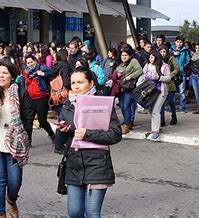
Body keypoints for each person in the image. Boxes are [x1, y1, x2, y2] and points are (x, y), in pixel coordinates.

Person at [56, 68, 122, 218]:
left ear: (91, 83)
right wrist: (62, 131)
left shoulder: (103, 104)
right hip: (73, 162)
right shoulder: (68, 106)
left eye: (80, 82)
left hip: (97, 162)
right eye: (73, 83)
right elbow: (59, 142)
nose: (76, 86)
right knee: (74, 212)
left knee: (92, 213)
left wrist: (88, 134)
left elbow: (115, 134)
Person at [0, 59, 34, 218]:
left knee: (14, 183)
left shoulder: (20, 92)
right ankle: (0, 214)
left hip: (16, 143)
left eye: (4, 73)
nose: (1, 76)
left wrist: (25, 140)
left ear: (12, 75)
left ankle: (11, 200)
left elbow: (28, 117)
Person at [21, 54, 55, 144]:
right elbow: (24, 84)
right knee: (28, 120)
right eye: (28, 63)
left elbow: (53, 73)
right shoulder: (25, 72)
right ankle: (28, 140)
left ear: (35, 61)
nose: (30, 64)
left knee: (42, 120)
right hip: (30, 98)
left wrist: (44, 74)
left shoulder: (42, 68)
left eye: (31, 62)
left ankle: (52, 135)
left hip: (42, 97)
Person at [137, 51, 171, 141]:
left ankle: (155, 131)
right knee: (150, 108)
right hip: (149, 91)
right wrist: (139, 84)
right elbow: (143, 75)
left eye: (152, 57)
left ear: (156, 58)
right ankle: (157, 126)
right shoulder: (148, 65)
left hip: (161, 91)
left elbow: (168, 78)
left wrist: (159, 78)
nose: (150, 59)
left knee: (156, 110)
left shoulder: (164, 66)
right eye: (150, 57)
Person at [115, 48, 143, 134]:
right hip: (121, 88)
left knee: (126, 105)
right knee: (123, 106)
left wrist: (129, 77)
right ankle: (128, 122)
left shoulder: (133, 61)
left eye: (126, 55)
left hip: (130, 88)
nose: (124, 57)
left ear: (129, 56)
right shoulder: (120, 65)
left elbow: (140, 71)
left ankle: (127, 124)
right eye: (122, 55)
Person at [159, 45, 181, 127]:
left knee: (171, 101)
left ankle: (174, 117)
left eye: (164, 51)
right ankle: (162, 119)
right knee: (161, 103)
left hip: (170, 83)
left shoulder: (171, 58)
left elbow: (177, 68)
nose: (163, 53)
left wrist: (170, 75)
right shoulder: (157, 59)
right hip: (160, 83)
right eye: (161, 51)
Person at [169, 36, 191, 113]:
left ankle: (182, 108)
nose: (179, 43)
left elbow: (188, 61)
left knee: (182, 92)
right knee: (172, 91)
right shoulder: (171, 50)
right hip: (173, 73)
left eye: (181, 42)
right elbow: (167, 59)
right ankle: (173, 109)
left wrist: (182, 67)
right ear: (175, 42)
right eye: (178, 42)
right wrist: (173, 54)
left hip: (182, 73)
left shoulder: (185, 51)